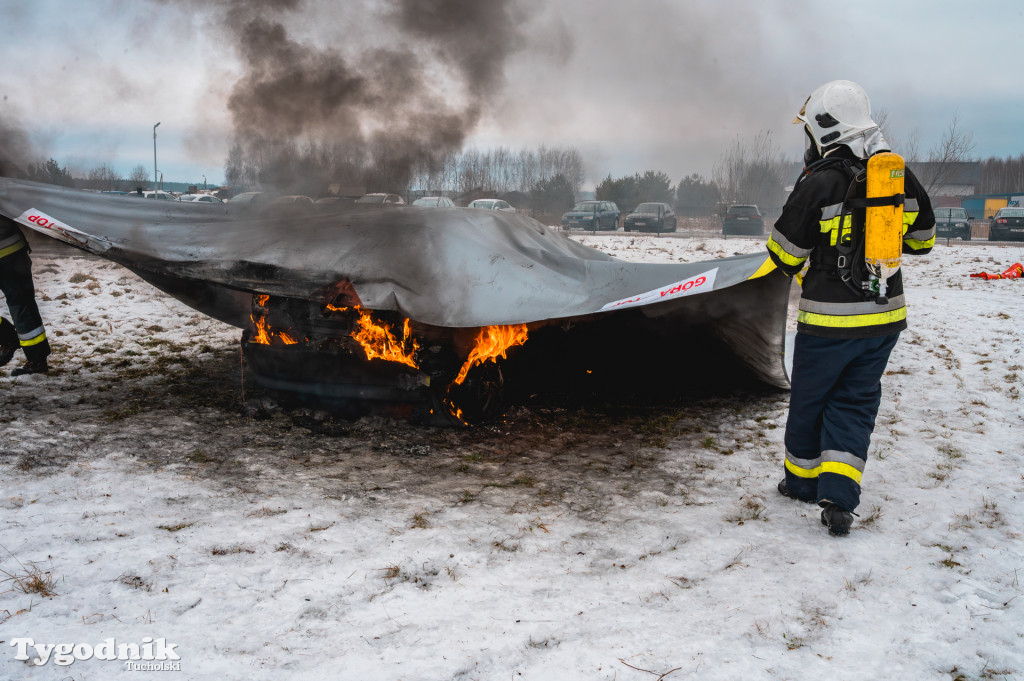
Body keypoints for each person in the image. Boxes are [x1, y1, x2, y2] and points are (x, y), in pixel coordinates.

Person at [766, 80, 935, 536]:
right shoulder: (897, 176)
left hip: (827, 324)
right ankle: (839, 498)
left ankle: (801, 484)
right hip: (884, 320)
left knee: (811, 400)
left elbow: (784, 256)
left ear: (825, 129)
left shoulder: (819, 182)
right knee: (855, 402)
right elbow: (924, 241)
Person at [0, 214, 51, 375]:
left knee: (21, 305)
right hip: (11, 252)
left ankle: (36, 361)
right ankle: (7, 337)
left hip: (9, 255)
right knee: (22, 304)